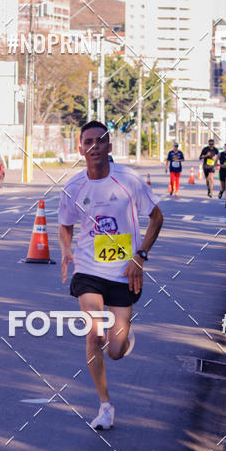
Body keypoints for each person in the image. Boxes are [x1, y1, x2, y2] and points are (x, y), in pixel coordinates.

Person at [58, 120, 164, 430]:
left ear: (109, 146)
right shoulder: (73, 186)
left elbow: (157, 217)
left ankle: (124, 337)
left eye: (99, 141)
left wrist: (140, 256)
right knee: (95, 333)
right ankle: (105, 406)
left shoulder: (128, 180)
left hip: (123, 272)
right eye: (87, 141)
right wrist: (66, 251)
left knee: (115, 350)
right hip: (88, 269)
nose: (93, 146)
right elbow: (65, 225)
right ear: (80, 148)